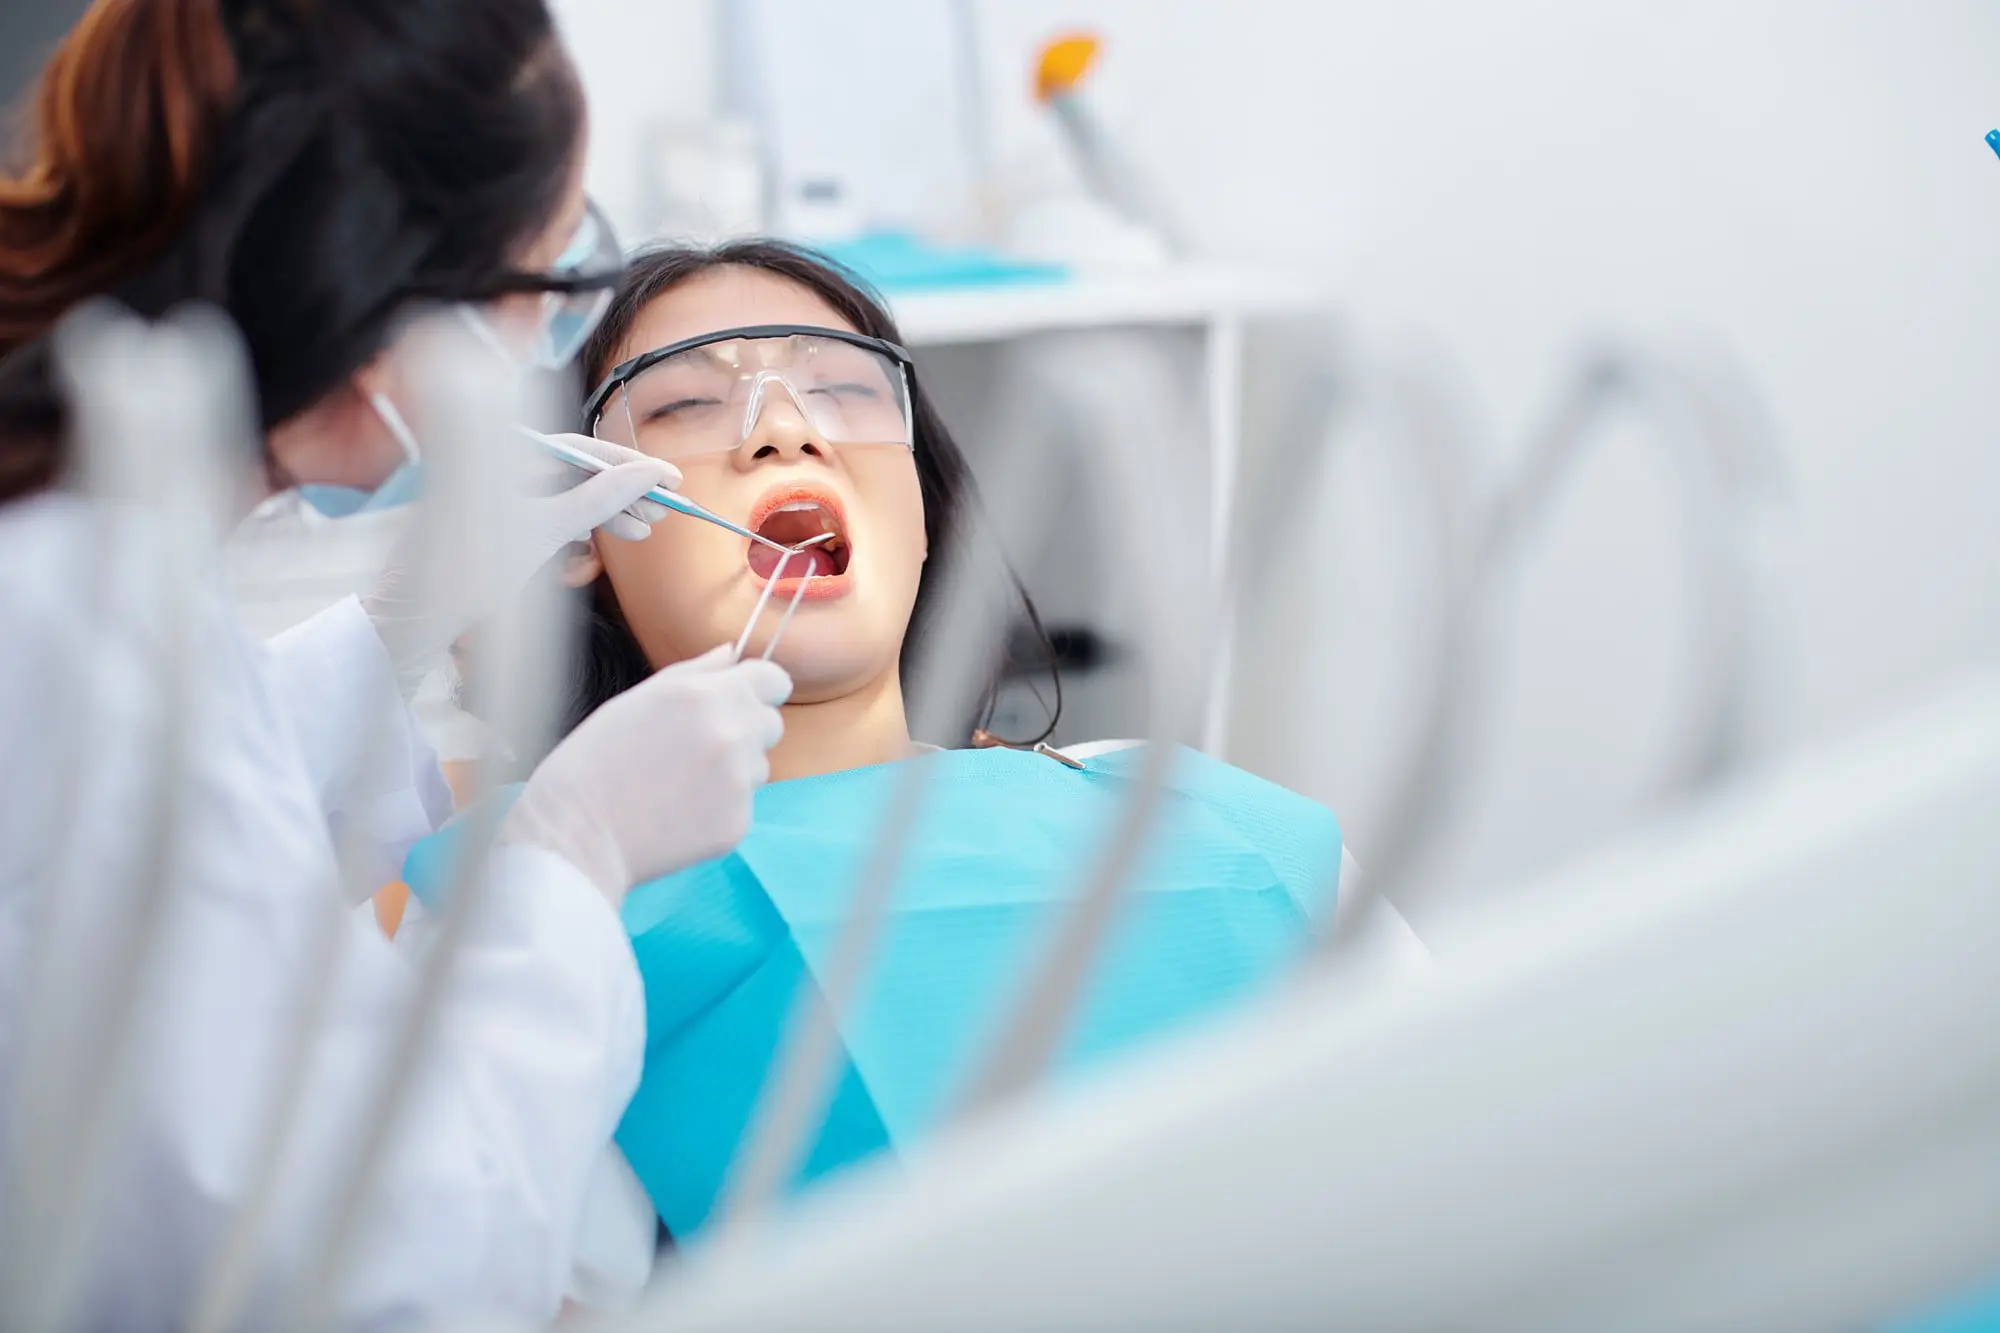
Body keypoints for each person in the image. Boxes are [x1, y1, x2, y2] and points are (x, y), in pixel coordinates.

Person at [417, 241, 1420, 1300]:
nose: (781, 429)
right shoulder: (543, 904)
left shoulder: (1193, 815)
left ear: (919, 510)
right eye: (685, 407)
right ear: (584, 530)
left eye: (843, 389)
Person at [0, 0, 790, 1326]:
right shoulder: (81, 618)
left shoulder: (92, 539)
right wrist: (573, 848)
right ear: (383, 309)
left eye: (839, 397)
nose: (777, 443)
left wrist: (396, 633)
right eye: (543, 285)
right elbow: (384, 1268)